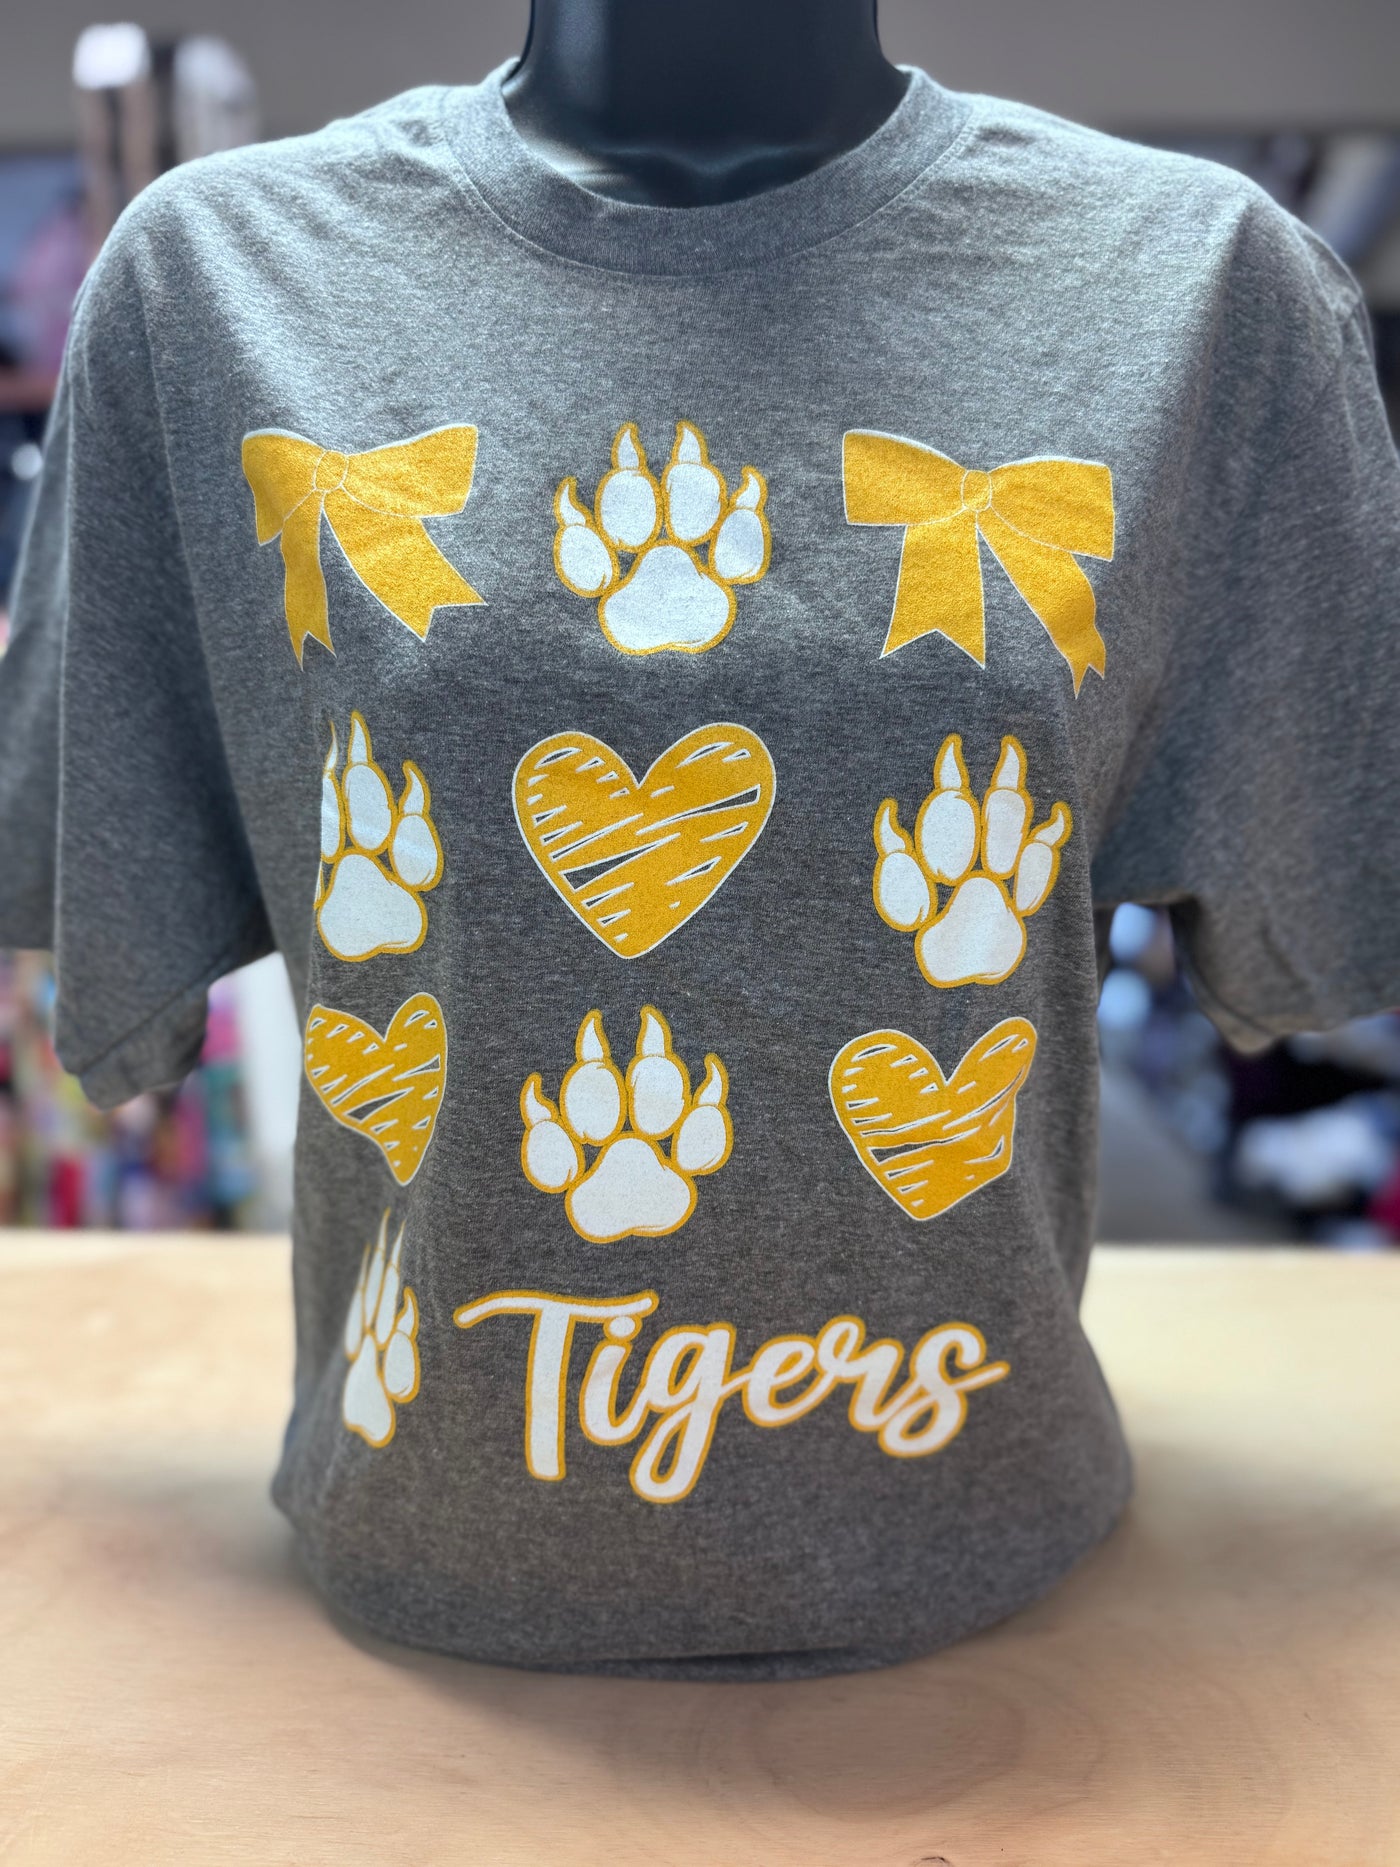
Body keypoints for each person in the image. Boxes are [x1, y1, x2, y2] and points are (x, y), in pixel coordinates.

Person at [0, 0, 1397, 1680]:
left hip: (997, 1585)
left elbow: (1308, 907)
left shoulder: (1205, 289)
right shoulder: (214, 281)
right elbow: (126, 916)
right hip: (415, 1586)